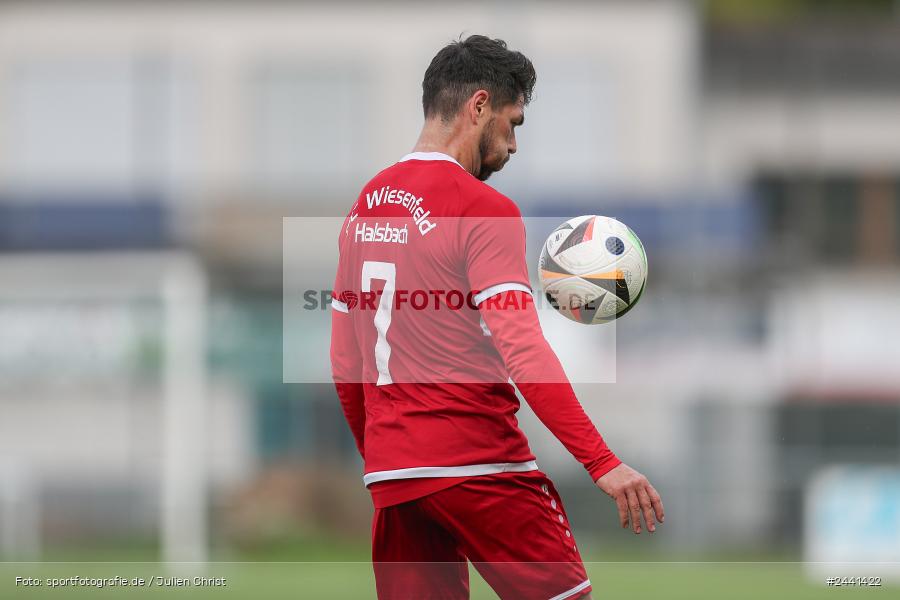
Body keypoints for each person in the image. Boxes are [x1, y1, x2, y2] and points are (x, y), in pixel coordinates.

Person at [330, 34, 664, 600]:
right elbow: (525, 350)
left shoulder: (365, 204)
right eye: (513, 123)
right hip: (479, 463)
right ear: (478, 106)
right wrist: (601, 461)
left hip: (395, 477)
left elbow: (344, 360)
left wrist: (387, 460)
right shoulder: (484, 209)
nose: (513, 145)